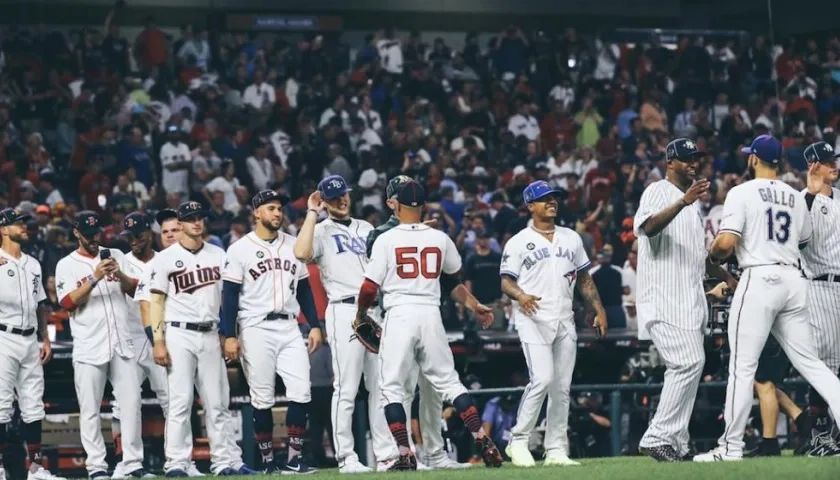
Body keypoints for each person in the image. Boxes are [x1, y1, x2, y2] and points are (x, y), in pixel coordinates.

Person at [695, 135, 840, 461]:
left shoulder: (741, 192)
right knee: (814, 367)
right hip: (793, 281)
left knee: (742, 369)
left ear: (753, 159)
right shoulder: (793, 194)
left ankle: (729, 448)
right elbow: (804, 239)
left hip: (759, 277)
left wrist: (714, 254)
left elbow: (726, 242)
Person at [357, 181, 504, 470]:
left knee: (392, 389)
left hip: (399, 313)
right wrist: (474, 305)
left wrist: (361, 314)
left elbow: (368, 288)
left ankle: (405, 453)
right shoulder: (440, 238)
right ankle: (480, 436)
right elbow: (452, 281)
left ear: (395, 204)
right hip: (431, 312)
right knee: (449, 383)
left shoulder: (386, 239)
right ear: (424, 206)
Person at [633, 138, 736, 462]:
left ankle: (677, 442)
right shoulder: (658, 191)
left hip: (689, 302)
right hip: (664, 299)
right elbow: (647, 228)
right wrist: (682, 202)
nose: (694, 163)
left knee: (692, 365)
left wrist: (729, 279)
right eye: (687, 159)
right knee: (687, 363)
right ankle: (657, 437)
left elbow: (700, 257)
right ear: (670, 162)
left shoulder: (693, 206)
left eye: (697, 159)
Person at [293, 175, 401, 473]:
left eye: (344, 194)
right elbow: (301, 254)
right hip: (343, 311)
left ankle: (386, 455)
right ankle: (347, 457)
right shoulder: (319, 229)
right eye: (334, 196)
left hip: (374, 310)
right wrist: (312, 213)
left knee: (381, 386)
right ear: (325, 201)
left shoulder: (365, 227)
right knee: (346, 388)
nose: (342, 199)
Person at [499, 180, 607, 467]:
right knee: (543, 378)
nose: (552, 202)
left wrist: (597, 307)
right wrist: (520, 295)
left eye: (554, 197)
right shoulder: (518, 241)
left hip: (564, 317)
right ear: (530, 205)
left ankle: (556, 449)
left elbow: (584, 278)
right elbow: (506, 281)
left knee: (562, 386)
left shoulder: (571, 238)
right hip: (533, 317)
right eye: (544, 198)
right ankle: (518, 440)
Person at [220, 190, 323, 474]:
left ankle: (293, 459)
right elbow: (229, 296)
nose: (277, 213)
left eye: (279, 208)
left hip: (290, 325)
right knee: (262, 397)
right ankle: (267, 462)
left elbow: (303, 289)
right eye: (271, 208)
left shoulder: (294, 244)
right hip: (255, 326)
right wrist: (229, 334)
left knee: (302, 391)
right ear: (257, 213)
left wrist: (314, 324)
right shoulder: (239, 249)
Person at [146, 202, 244, 476]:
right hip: (178, 332)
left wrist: (230, 335)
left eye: (200, 218)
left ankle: (223, 461)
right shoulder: (165, 258)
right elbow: (156, 301)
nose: (196, 223)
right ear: (181, 222)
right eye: (190, 219)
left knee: (217, 401)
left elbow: (228, 300)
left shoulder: (218, 254)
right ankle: (177, 462)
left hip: (211, 332)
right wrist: (159, 340)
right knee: (181, 400)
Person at [55, 211, 141, 479]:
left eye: (97, 233)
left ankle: (132, 463)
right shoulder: (66, 264)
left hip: (121, 341)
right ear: (77, 233)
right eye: (89, 234)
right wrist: (95, 278)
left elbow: (135, 289)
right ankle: (96, 466)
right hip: (89, 344)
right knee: (90, 409)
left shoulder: (115, 253)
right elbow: (67, 303)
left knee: (131, 404)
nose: (94, 238)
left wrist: (120, 275)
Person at [0, 208, 65, 480]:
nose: (24, 227)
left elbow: (40, 305)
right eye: (18, 224)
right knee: (2, 405)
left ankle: (36, 467)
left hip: (30, 339)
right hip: (3, 337)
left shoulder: (33, 263)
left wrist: (45, 337)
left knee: (33, 404)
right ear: (4, 229)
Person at [109, 212, 170, 479]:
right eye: (129, 236)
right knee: (127, 403)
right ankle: (131, 464)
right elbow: (128, 288)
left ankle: (178, 460)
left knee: (173, 400)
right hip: (130, 337)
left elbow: (140, 289)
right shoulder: (121, 260)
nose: (133, 240)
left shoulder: (165, 260)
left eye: (138, 235)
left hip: (161, 337)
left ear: (150, 233)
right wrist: (119, 273)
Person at [799, 140, 840, 455]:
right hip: (820, 287)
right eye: (827, 162)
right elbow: (800, 242)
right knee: (825, 367)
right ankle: (818, 436)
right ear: (813, 166)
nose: (834, 165)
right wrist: (811, 195)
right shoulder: (801, 201)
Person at [750, 336, 811, 456]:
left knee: (764, 384)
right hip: (771, 336)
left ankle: (770, 443)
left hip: (769, 336)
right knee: (755, 385)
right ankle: (802, 420)